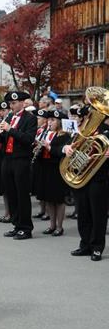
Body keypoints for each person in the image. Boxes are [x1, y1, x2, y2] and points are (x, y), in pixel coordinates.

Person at [62, 105, 109, 261]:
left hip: (99, 177)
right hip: (81, 177)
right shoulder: (82, 129)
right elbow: (69, 144)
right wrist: (67, 147)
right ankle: (85, 245)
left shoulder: (106, 129)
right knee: (83, 213)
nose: (92, 114)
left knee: (98, 214)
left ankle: (97, 247)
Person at [0, 91, 38, 240]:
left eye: (14, 103)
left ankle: (26, 227)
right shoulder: (10, 117)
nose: (12, 106)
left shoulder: (30, 118)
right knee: (11, 193)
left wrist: (10, 130)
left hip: (21, 160)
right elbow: (7, 138)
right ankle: (16, 224)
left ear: (22, 103)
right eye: (10, 103)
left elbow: (28, 139)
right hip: (7, 158)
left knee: (22, 194)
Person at [37, 110, 71, 236]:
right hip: (45, 167)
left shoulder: (65, 136)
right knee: (49, 198)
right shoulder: (47, 134)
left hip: (57, 169)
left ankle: (60, 227)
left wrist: (49, 147)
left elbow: (61, 152)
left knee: (58, 199)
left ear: (60, 122)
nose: (49, 122)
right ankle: (52, 225)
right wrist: (38, 148)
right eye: (49, 120)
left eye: (53, 120)